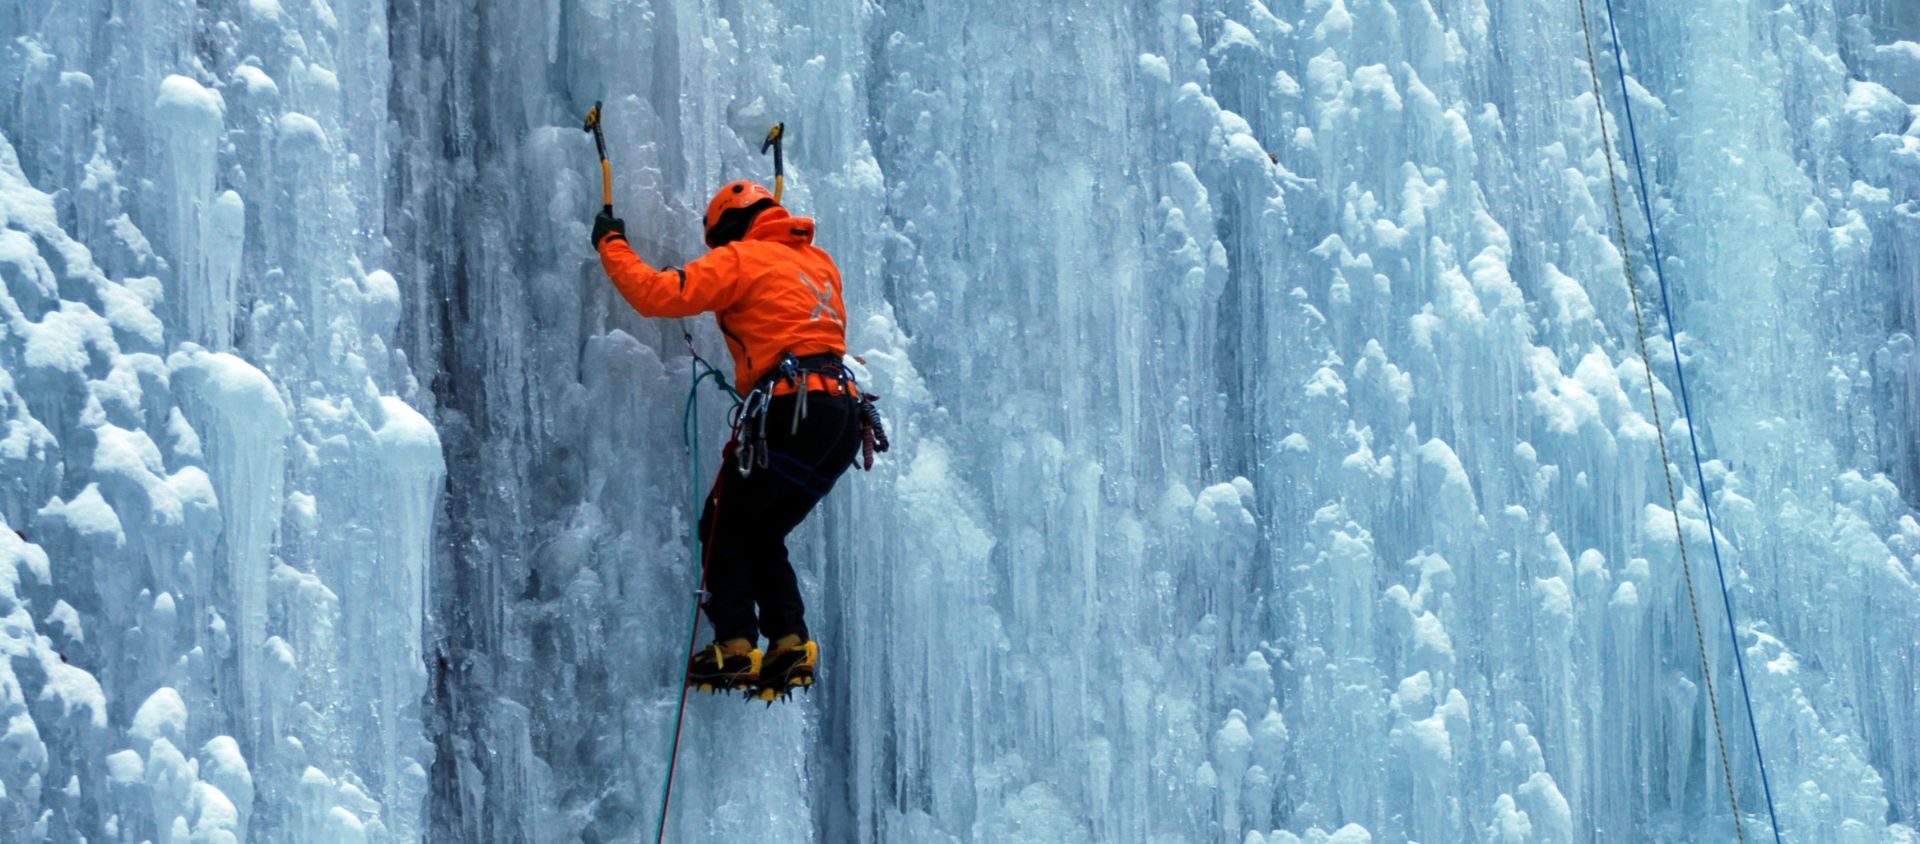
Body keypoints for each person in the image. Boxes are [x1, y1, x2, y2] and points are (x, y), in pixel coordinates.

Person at [592, 180, 863, 701]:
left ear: (729, 229)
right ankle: (789, 642)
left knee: (721, 523)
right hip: (842, 418)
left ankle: (735, 644)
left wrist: (612, 244)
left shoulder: (741, 258)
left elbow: (656, 294)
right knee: (761, 528)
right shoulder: (820, 262)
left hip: (791, 410)